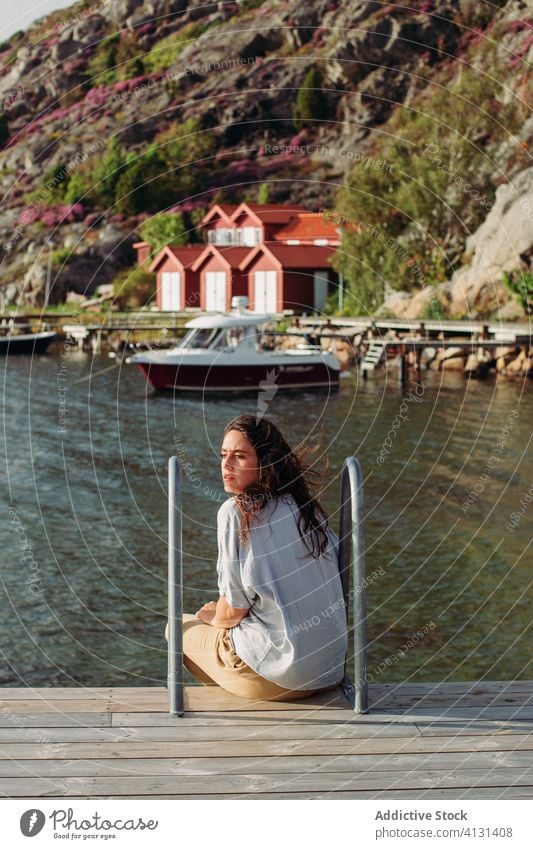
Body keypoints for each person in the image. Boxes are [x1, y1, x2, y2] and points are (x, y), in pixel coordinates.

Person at [167, 414, 348, 701]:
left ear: (265, 462)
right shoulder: (305, 508)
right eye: (224, 455)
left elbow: (234, 611)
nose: (226, 465)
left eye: (239, 456)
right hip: (328, 671)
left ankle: (245, 710)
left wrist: (211, 618)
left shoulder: (234, 513)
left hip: (283, 676)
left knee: (177, 627)